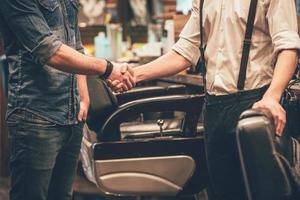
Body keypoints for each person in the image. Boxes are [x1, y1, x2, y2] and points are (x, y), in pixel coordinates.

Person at [109, 0, 300, 199]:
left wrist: (272, 96)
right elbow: (184, 52)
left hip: (255, 106)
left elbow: (288, 47)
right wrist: (132, 75)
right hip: (214, 109)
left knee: (262, 192)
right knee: (222, 191)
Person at [0, 0, 135, 200]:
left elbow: (74, 44)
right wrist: (107, 69)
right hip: (37, 117)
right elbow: (47, 49)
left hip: (72, 115)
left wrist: (84, 95)